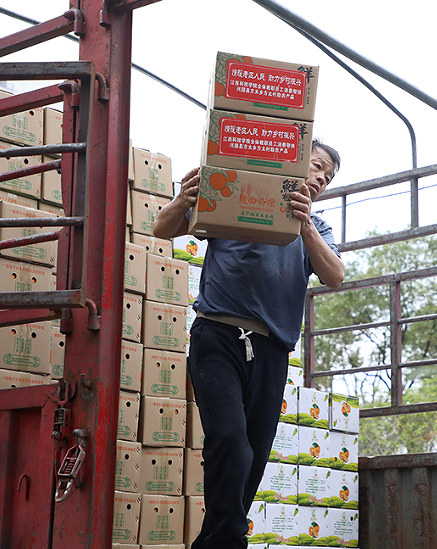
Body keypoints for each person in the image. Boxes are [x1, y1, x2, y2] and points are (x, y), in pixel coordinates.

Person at [152, 139, 344, 549]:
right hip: (217, 337)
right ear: (292, 162)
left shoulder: (317, 227)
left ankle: (214, 544)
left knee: (253, 461)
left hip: (272, 352)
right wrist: (183, 198)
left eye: (326, 178)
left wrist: (305, 223)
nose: (319, 179)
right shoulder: (240, 198)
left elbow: (336, 276)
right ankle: (229, 543)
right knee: (231, 443)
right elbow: (162, 228)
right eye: (315, 167)